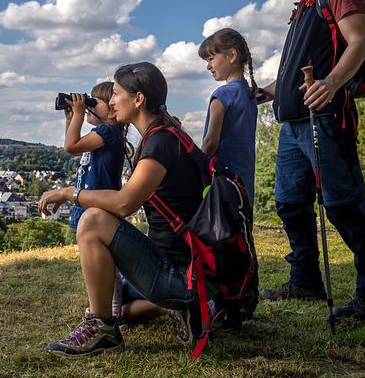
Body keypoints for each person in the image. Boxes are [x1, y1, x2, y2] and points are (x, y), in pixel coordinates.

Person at [259, 0, 365, 319]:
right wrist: (265, 91)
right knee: (289, 202)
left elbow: (359, 42)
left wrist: (333, 83)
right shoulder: (305, 3)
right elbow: (297, 69)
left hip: (326, 120)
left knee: (344, 204)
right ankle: (305, 279)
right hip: (294, 125)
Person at [39, 62, 206, 357]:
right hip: (185, 267)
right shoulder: (164, 135)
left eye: (115, 94)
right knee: (120, 308)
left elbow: (125, 203)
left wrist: (69, 193)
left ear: (138, 99)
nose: (111, 101)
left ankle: (102, 329)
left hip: (182, 274)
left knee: (92, 220)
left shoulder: (160, 143)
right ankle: (181, 308)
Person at [198, 27, 259, 319]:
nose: (209, 66)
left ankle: (224, 301)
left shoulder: (221, 95)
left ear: (231, 56)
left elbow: (210, 143)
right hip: (246, 182)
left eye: (211, 58)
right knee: (244, 237)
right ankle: (246, 300)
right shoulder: (249, 94)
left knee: (221, 240)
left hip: (223, 183)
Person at [63, 82, 127, 321]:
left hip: (98, 209)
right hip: (91, 206)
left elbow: (71, 147)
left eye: (94, 102)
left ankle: (109, 310)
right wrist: (71, 119)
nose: (88, 106)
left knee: (105, 264)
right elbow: (74, 145)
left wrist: (79, 113)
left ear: (111, 110)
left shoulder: (107, 133)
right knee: (98, 261)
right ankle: (109, 307)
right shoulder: (102, 134)